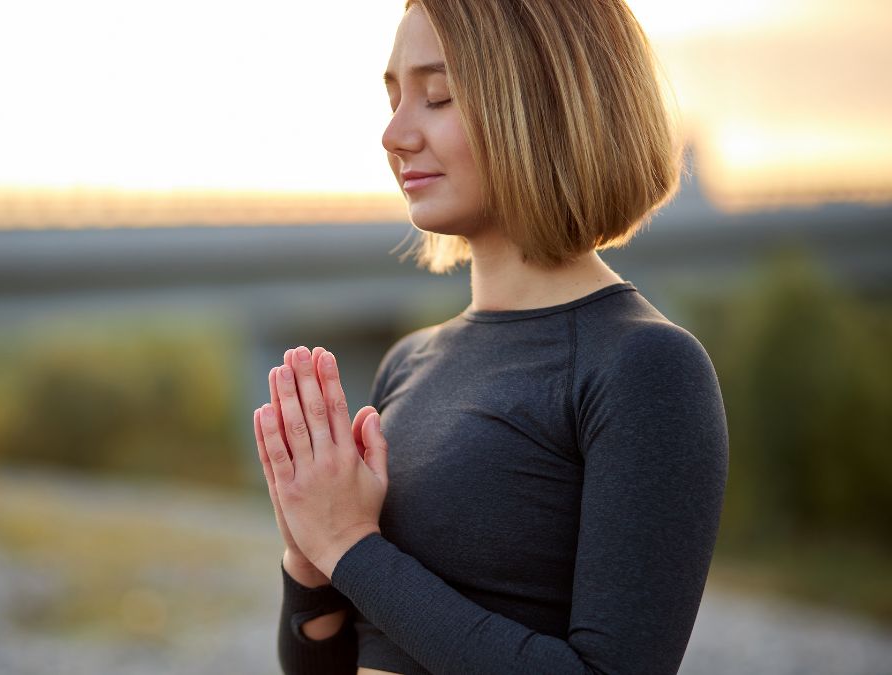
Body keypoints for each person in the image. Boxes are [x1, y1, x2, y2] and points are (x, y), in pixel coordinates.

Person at [251, 1, 729, 673]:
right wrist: (309, 559)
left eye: (437, 96)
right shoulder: (409, 362)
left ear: (546, 108)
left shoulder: (646, 366)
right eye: (392, 97)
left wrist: (351, 547)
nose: (393, 133)